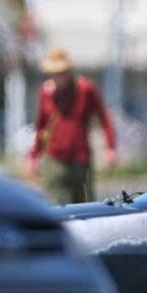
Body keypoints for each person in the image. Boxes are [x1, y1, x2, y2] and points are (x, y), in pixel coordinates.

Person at [27, 47, 117, 204]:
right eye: (55, 73)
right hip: (54, 158)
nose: (59, 77)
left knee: (85, 205)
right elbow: (41, 126)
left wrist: (110, 147)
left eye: (62, 73)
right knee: (57, 206)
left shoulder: (85, 89)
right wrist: (34, 156)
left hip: (80, 159)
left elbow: (104, 118)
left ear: (69, 71)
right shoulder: (46, 92)